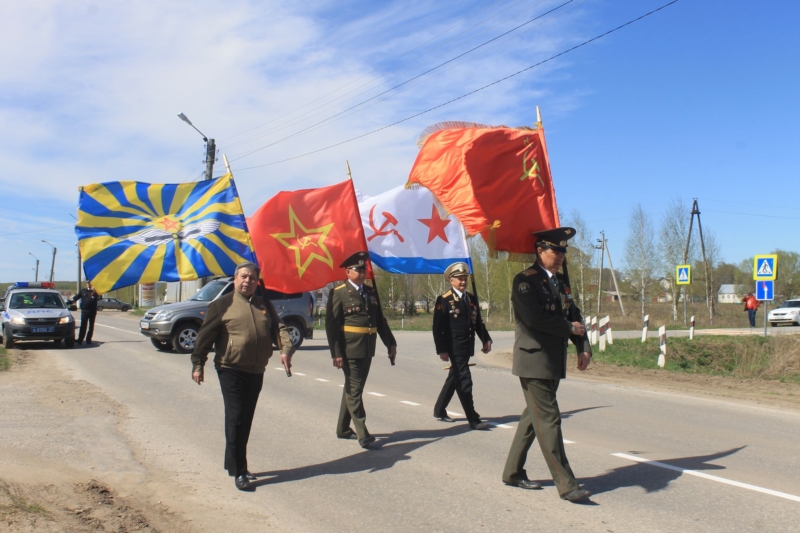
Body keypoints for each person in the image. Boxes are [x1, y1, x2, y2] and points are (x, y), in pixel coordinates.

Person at [502, 227, 593, 502]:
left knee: (534, 418)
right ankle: (567, 484)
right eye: (556, 250)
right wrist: (570, 328)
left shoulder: (560, 283)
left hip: (553, 361)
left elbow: (575, 316)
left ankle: (513, 472)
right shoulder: (525, 281)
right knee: (550, 419)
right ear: (540, 250)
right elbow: (536, 319)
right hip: (534, 361)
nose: (561, 256)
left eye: (564, 251)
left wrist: (584, 346)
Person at [191, 262, 295, 491]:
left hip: (256, 369)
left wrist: (286, 350)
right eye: (244, 277)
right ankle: (240, 471)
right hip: (230, 368)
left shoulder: (262, 302)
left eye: (252, 278)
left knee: (245, 419)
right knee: (236, 417)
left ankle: (233, 463)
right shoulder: (222, 304)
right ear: (235, 279)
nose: (248, 281)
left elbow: (279, 328)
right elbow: (204, 337)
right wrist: (198, 364)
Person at [326, 251, 397, 449]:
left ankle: (342, 428)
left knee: (353, 388)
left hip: (367, 347)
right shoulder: (339, 292)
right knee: (355, 389)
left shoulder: (371, 292)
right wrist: (336, 352)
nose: (363, 272)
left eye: (364, 269)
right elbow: (332, 326)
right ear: (348, 272)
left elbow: (379, 320)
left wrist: (390, 343)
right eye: (358, 269)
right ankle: (362, 432)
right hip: (349, 349)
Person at [432, 262, 492, 430]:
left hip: (467, 346)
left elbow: (477, 322)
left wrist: (486, 339)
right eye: (459, 279)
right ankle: (473, 418)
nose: (463, 282)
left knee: (455, 377)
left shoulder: (471, 298)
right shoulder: (444, 300)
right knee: (464, 380)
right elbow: (437, 328)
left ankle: (439, 409)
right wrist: (442, 350)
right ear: (451, 281)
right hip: (453, 347)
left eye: (465, 278)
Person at [70, 281, 100, 345]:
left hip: (92, 311)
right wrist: (69, 302)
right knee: (83, 326)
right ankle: (80, 340)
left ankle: (88, 340)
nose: (88, 285)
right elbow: (76, 298)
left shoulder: (95, 292)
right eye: (87, 284)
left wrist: (95, 292)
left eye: (90, 284)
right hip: (85, 311)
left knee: (91, 326)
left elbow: (100, 297)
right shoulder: (83, 291)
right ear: (86, 284)